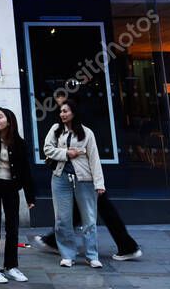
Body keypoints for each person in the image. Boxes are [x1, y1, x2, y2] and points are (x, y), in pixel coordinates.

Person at [43, 97, 105, 268]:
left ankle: (92, 255)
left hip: (84, 179)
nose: (62, 114)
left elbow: (94, 158)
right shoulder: (56, 129)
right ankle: (68, 254)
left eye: (65, 111)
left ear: (73, 112)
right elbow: (47, 149)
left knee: (89, 219)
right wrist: (66, 153)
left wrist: (99, 183)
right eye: (61, 111)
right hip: (60, 178)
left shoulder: (87, 133)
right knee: (62, 219)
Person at [0, 108, 36, 283]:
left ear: (9, 121)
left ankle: (11, 266)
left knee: (13, 228)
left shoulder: (19, 143)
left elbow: (25, 170)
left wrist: (30, 196)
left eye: (0, 117)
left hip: (11, 188)